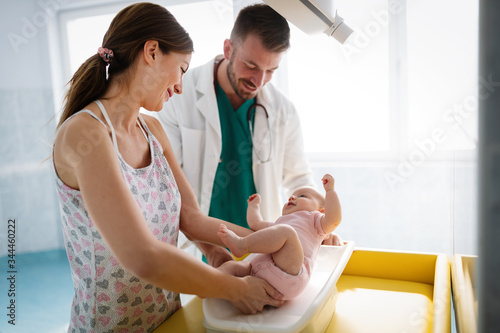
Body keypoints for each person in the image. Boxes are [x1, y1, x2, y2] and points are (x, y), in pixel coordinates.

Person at [52, 3, 283, 332]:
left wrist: (276, 241)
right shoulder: (85, 134)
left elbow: (191, 219)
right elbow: (142, 255)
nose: (181, 86)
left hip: (167, 321)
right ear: (152, 52)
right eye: (182, 69)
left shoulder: (153, 131)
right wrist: (236, 289)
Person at [158, 4, 315, 232]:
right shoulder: (178, 94)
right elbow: (167, 182)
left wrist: (316, 221)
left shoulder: (284, 111)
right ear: (228, 49)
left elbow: (299, 179)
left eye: (271, 70)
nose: (259, 81)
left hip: (261, 247)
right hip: (199, 246)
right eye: (251, 65)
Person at [216, 174, 342, 300]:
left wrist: (330, 191)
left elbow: (333, 220)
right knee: (231, 266)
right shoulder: (279, 224)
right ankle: (213, 283)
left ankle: (241, 245)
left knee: (286, 231)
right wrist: (253, 206)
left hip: (292, 273)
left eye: (302, 196)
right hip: (255, 272)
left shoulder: (315, 221)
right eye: (292, 196)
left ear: (321, 211)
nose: (292, 197)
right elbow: (256, 224)